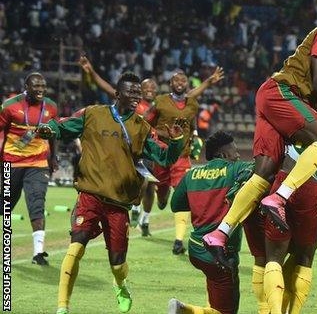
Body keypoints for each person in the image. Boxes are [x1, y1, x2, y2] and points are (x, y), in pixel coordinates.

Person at [203, 0, 317, 265]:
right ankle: (279, 199)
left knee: (263, 174)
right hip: (282, 92)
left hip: (275, 98)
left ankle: (220, 234)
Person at [37, 72, 185, 314]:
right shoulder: (93, 114)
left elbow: (164, 156)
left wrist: (177, 142)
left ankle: (120, 284)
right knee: (76, 247)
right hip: (90, 195)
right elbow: (62, 126)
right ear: (117, 94)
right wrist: (48, 129)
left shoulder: (143, 128)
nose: (137, 96)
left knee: (117, 263)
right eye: (131, 92)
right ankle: (62, 307)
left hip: (119, 203)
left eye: (139, 92)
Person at [262, 73, 317, 314]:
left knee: (273, 257)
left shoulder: (305, 108)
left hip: (285, 179)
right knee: (305, 257)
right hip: (313, 188)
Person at [168, 131, 253, 314]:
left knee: (217, 295)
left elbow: (176, 205)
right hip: (220, 252)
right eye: (234, 151)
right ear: (222, 155)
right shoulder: (235, 169)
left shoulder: (192, 174)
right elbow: (259, 171)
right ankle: (185, 310)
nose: (238, 155)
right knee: (226, 311)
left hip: (196, 249)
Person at [143, 67, 224, 254]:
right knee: (162, 196)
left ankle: (179, 241)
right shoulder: (160, 102)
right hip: (162, 154)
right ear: (170, 84)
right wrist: (160, 134)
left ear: (186, 84)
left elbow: (191, 120)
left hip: (182, 154)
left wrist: (194, 135)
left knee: (182, 193)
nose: (180, 83)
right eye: (176, 80)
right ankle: (161, 195)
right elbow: (145, 122)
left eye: (183, 81)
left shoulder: (192, 104)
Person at [78, 55, 159, 234]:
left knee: (153, 188)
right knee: (142, 182)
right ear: (142, 89)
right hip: (129, 149)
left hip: (147, 148)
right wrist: (91, 71)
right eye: (147, 87)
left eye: (153, 87)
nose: (150, 89)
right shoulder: (133, 103)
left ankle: (144, 219)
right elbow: (107, 88)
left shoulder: (159, 107)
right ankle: (135, 207)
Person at [1, 72, 58, 265]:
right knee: (5, 206)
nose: (41, 89)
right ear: (26, 86)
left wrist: (53, 157)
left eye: (43, 86)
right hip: (11, 162)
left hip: (38, 163)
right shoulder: (10, 106)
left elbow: (53, 133)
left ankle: (38, 253)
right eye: (36, 86)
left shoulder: (51, 106)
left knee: (37, 203)